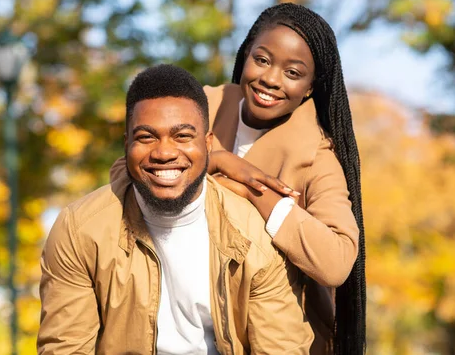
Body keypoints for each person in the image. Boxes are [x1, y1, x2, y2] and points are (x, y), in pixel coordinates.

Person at [106, 2, 365, 355]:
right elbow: (124, 172)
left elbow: (336, 262)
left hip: (262, 331)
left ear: (309, 87)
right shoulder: (205, 104)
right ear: (245, 57)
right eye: (262, 59)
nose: (271, 79)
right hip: (169, 314)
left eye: (292, 72)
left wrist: (250, 190)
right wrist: (219, 161)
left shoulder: (317, 155)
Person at [37, 64, 313, 354]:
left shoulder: (254, 235)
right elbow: (65, 348)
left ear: (208, 145)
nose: (164, 152)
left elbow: (281, 348)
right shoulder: (80, 229)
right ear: (127, 144)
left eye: (182, 136)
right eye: (146, 137)